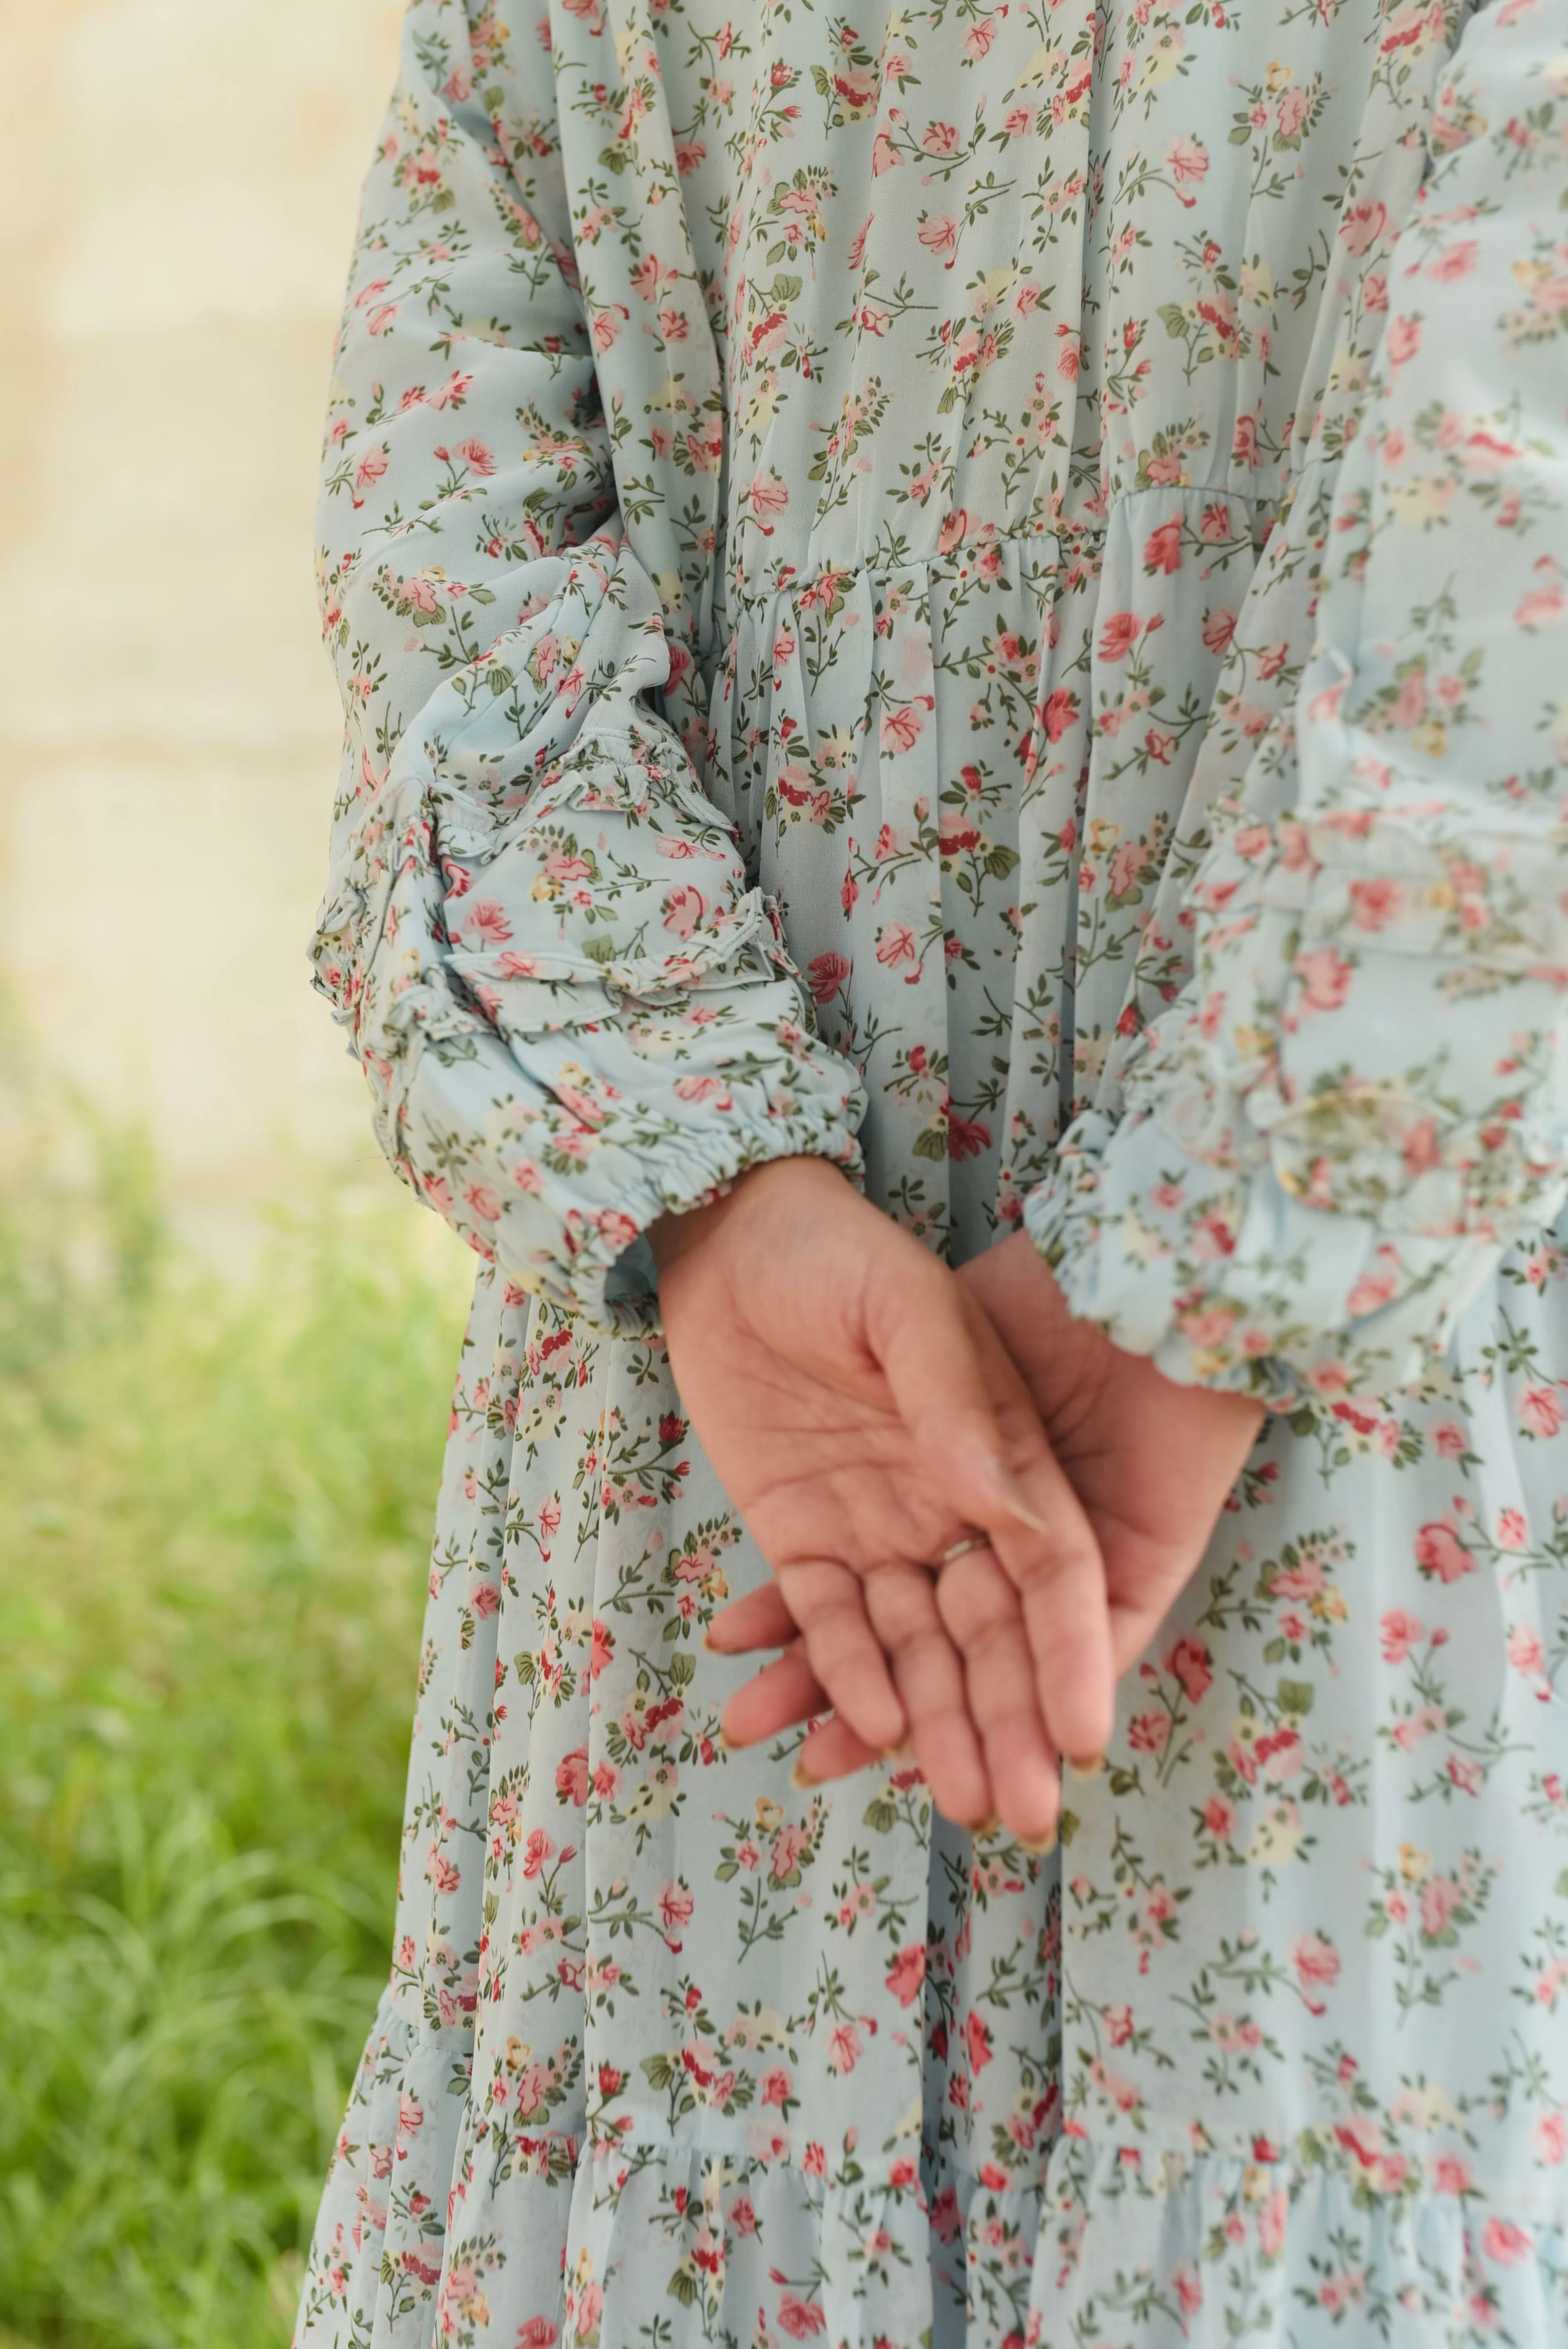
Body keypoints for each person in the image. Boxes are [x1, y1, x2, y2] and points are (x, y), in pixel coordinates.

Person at [294, 0, 1568, 2335]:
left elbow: (450, 529)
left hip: (865, 1435)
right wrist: (1190, 1249)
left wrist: (716, 1169)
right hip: (997, 1406)